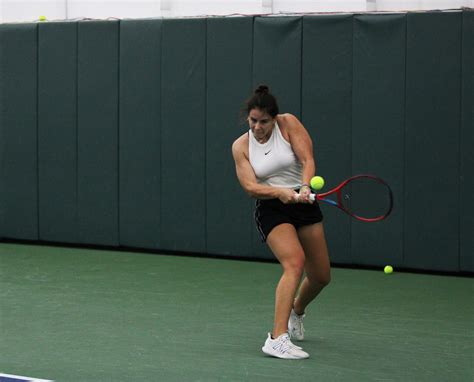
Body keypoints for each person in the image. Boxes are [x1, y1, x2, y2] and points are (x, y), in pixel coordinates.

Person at [232, 85, 331, 360]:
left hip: (302, 200)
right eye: (253, 121)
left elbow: (307, 158)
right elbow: (251, 187)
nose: (258, 127)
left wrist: (303, 187)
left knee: (321, 275)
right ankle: (277, 338)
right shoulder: (240, 146)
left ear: (274, 119)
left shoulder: (288, 124)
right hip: (271, 207)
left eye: (263, 122)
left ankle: (296, 312)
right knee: (294, 263)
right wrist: (279, 192)